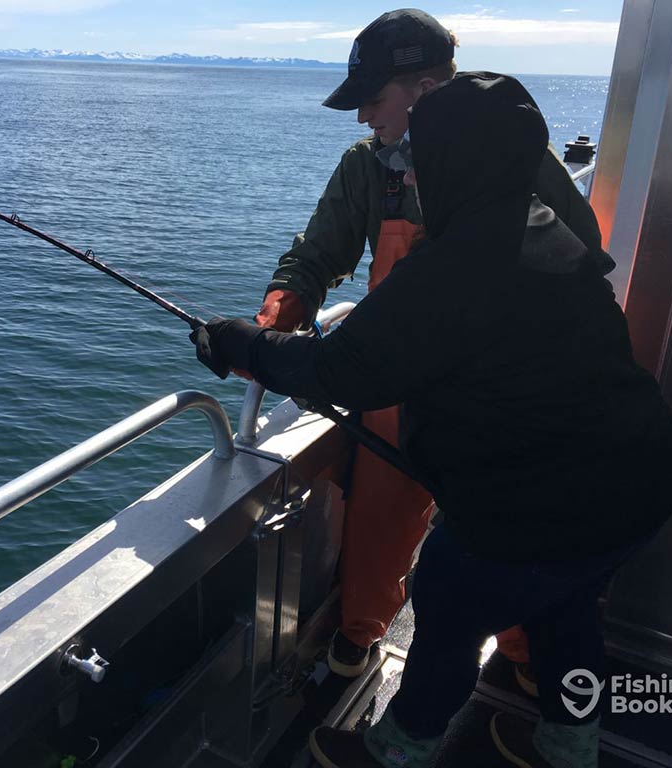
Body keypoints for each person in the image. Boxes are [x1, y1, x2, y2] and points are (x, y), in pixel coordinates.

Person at [191, 72, 672, 768]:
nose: (415, 172)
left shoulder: (454, 266)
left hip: (546, 498)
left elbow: (337, 373)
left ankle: (398, 748)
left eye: (423, 156)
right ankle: (569, 747)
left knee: (451, 596)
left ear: (451, 160)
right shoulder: (545, 226)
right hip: (641, 477)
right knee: (566, 605)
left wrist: (239, 341)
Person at [254, 8, 611, 685]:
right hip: (399, 387)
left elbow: (580, 254)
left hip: (498, 394)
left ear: (425, 89)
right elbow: (316, 256)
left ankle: (523, 659)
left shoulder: (513, 156)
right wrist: (280, 311)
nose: (362, 117)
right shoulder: (366, 168)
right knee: (380, 520)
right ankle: (362, 631)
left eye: (373, 98)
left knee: (507, 534)